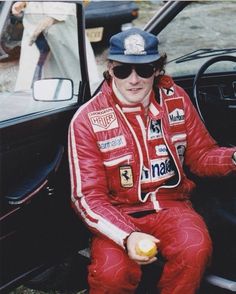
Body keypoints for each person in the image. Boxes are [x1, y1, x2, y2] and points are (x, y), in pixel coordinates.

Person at [68, 28, 236, 293]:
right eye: (123, 70)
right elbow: (87, 197)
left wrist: (233, 157)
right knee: (111, 273)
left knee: (195, 247)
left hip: (172, 204)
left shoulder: (176, 99)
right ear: (110, 69)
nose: (134, 80)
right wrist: (127, 236)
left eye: (144, 70)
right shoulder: (87, 119)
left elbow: (201, 156)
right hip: (118, 211)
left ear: (157, 70)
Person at [12, 1, 99, 92]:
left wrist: (54, 16)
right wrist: (23, 3)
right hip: (35, 24)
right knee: (31, 82)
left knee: (76, 80)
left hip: (62, 24)